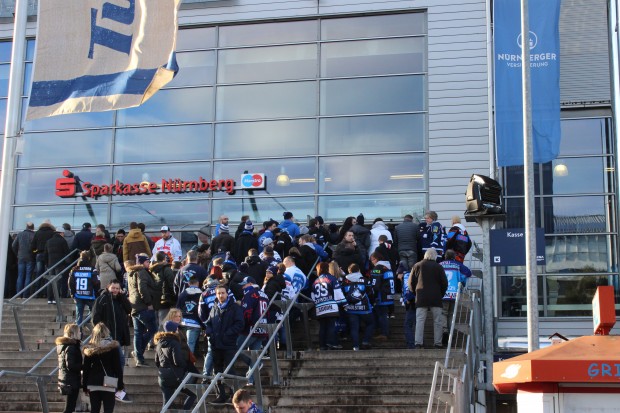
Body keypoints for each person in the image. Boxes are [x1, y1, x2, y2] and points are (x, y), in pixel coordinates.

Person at [205, 285, 244, 405]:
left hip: (229, 344)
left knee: (230, 370)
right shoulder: (214, 307)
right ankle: (220, 395)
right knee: (217, 371)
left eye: (223, 293)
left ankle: (235, 395)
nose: (221, 295)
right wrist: (210, 334)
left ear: (227, 294)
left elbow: (239, 323)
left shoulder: (235, 308)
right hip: (216, 344)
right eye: (218, 293)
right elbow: (209, 323)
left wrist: (227, 334)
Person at [410, 248, 448, 349]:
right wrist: (441, 294)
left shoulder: (417, 265)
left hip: (421, 297)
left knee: (420, 320)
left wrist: (416, 292)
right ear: (435, 256)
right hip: (436, 298)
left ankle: (418, 343)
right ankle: (438, 343)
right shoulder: (439, 267)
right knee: (438, 321)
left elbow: (410, 283)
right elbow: (444, 283)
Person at [154, 320, 197, 411]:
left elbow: (157, 361)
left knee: (167, 403)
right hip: (175, 375)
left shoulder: (159, 343)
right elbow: (177, 361)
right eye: (177, 328)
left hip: (162, 375)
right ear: (174, 330)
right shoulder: (174, 342)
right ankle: (185, 411)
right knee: (192, 395)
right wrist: (185, 366)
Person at [82, 323, 124, 413]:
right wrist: (120, 385)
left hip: (93, 383)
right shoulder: (113, 348)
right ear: (107, 332)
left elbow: (86, 369)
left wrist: (84, 386)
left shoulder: (89, 349)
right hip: (109, 383)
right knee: (108, 410)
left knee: (94, 409)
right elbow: (118, 368)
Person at [127, 254, 159, 367]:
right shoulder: (142, 272)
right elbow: (142, 288)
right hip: (143, 306)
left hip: (135, 306)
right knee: (153, 329)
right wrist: (149, 303)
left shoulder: (131, 273)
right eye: (147, 262)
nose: (149, 264)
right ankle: (138, 352)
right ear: (142, 263)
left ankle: (139, 357)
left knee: (138, 332)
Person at [237, 276, 269, 386]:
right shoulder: (264, 294)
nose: (242, 287)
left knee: (237, 348)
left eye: (244, 285)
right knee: (254, 354)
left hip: (251, 328)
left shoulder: (250, 294)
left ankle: (256, 365)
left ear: (250, 284)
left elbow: (246, 312)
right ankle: (250, 379)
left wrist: (242, 326)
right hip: (263, 328)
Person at [311, 262, 346, 350]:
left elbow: (312, 296)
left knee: (322, 327)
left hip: (319, 307)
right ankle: (332, 343)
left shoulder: (315, 281)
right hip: (331, 306)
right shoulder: (332, 278)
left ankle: (322, 345)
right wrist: (344, 303)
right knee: (331, 325)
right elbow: (338, 293)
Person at [440, 249, 472, 343]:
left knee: (443, 313)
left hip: (443, 293)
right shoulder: (458, 265)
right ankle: (451, 333)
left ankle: (444, 330)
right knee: (451, 314)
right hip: (454, 293)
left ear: (445, 256)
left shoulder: (440, 265)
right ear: (454, 256)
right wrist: (461, 282)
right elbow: (468, 273)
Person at [342, 263, 374, 351]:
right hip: (365, 308)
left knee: (354, 327)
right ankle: (365, 341)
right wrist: (372, 303)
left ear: (349, 271)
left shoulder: (345, 281)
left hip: (350, 309)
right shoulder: (365, 280)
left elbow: (342, 294)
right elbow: (371, 293)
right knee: (370, 323)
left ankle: (355, 346)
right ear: (358, 270)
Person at [68, 251, 100, 329]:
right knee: (93, 312)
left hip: (78, 295)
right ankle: (86, 322)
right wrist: (96, 293)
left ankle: (78, 334)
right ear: (89, 258)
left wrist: (73, 293)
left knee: (79, 316)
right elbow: (96, 282)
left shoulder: (74, 269)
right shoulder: (92, 269)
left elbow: (70, 282)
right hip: (90, 295)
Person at [56, 323, 82, 413]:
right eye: (78, 331)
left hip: (68, 379)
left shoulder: (64, 346)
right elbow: (70, 365)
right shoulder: (71, 347)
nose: (80, 333)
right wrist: (84, 366)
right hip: (71, 381)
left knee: (70, 407)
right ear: (73, 334)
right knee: (69, 408)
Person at [369, 252, 395, 340]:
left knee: (381, 315)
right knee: (382, 314)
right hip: (389, 295)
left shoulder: (378, 268)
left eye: (372, 260)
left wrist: (373, 297)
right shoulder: (388, 268)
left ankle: (384, 333)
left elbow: (375, 285)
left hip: (381, 296)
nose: (372, 262)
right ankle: (384, 330)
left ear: (376, 259)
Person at [176, 276, 204, 353]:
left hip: (183, 322)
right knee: (191, 344)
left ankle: (181, 361)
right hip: (195, 323)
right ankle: (189, 362)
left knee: (182, 344)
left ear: (188, 283)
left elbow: (178, 308)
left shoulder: (183, 294)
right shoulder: (202, 294)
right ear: (198, 283)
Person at [150, 251, 177, 327]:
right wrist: (174, 296)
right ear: (165, 258)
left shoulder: (151, 270)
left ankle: (157, 337)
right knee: (164, 321)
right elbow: (171, 283)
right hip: (166, 298)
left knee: (157, 321)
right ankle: (163, 337)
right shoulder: (166, 269)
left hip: (154, 298)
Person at [44, 227, 70, 302]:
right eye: (63, 234)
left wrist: (47, 264)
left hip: (50, 264)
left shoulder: (48, 241)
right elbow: (67, 253)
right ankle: (57, 298)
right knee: (58, 281)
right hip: (60, 264)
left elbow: (45, 254)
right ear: (61, 233)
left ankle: (50, 299)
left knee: (51, 281)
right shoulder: (62, 241)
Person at [12, 222, 35, 298]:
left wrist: (17, 254)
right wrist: (34, 253)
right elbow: (35, 248)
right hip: (30, 258)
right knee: (28, 276)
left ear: (26, 227)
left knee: (20, 276)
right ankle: (25, 295)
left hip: (21, 257)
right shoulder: (33, 235)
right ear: (33, 227)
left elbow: (13, 245)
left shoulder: (20, 234)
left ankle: (18, 295)